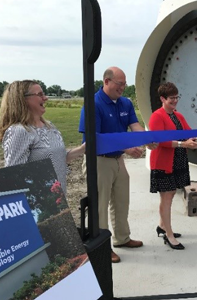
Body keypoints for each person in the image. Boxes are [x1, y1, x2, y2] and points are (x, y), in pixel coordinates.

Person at [79, 66, 156, 263]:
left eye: (124, 84)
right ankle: (102, 247)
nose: (122, 88)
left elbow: (135, 126)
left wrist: (147, 138)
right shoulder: (93, 104)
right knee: (100, 206)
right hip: (99, 160)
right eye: (119, 84)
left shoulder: (125, 103)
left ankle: (122, 238)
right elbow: (94, 139)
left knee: (121, 201)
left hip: (118, 159)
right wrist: (127, 148)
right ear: (106, 81)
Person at [149, 82, 197, 250]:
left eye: (177, 97)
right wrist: (184, 145)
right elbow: (161, 141)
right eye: (171, 98)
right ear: (162, 98)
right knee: (166, 198)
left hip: (176, 160)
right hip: (163, 162)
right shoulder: (157, 116)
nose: (175, 101)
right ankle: (168, 235)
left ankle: (162, 226)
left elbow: (188, 132)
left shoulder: (177, 116)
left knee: (172, 193)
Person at [0, 80, 85, 196]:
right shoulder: (19, 131)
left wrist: (83, 149)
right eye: (39, 94)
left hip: (58, 198)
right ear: (23, 99)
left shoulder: (49, 126)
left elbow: (57, 158)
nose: (45, 98)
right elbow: (14, 176)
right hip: (38, 202)